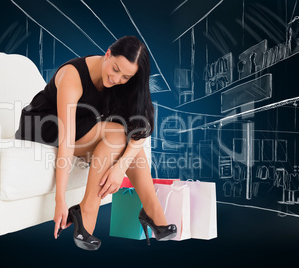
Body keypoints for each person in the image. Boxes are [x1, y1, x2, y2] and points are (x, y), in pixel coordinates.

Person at [15, 35, 177, 250]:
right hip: (43, 124)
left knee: (125, 140)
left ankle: (150, 209)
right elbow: (66, 142)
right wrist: (59, 199)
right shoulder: (73, 76)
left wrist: (119, 168)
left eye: (126, 76)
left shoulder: (124, 82)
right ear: (107, 54)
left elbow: (141, 129)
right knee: (119, 133)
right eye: (115, 69)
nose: (117, 78)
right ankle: (92, 211)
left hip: (83, 124)